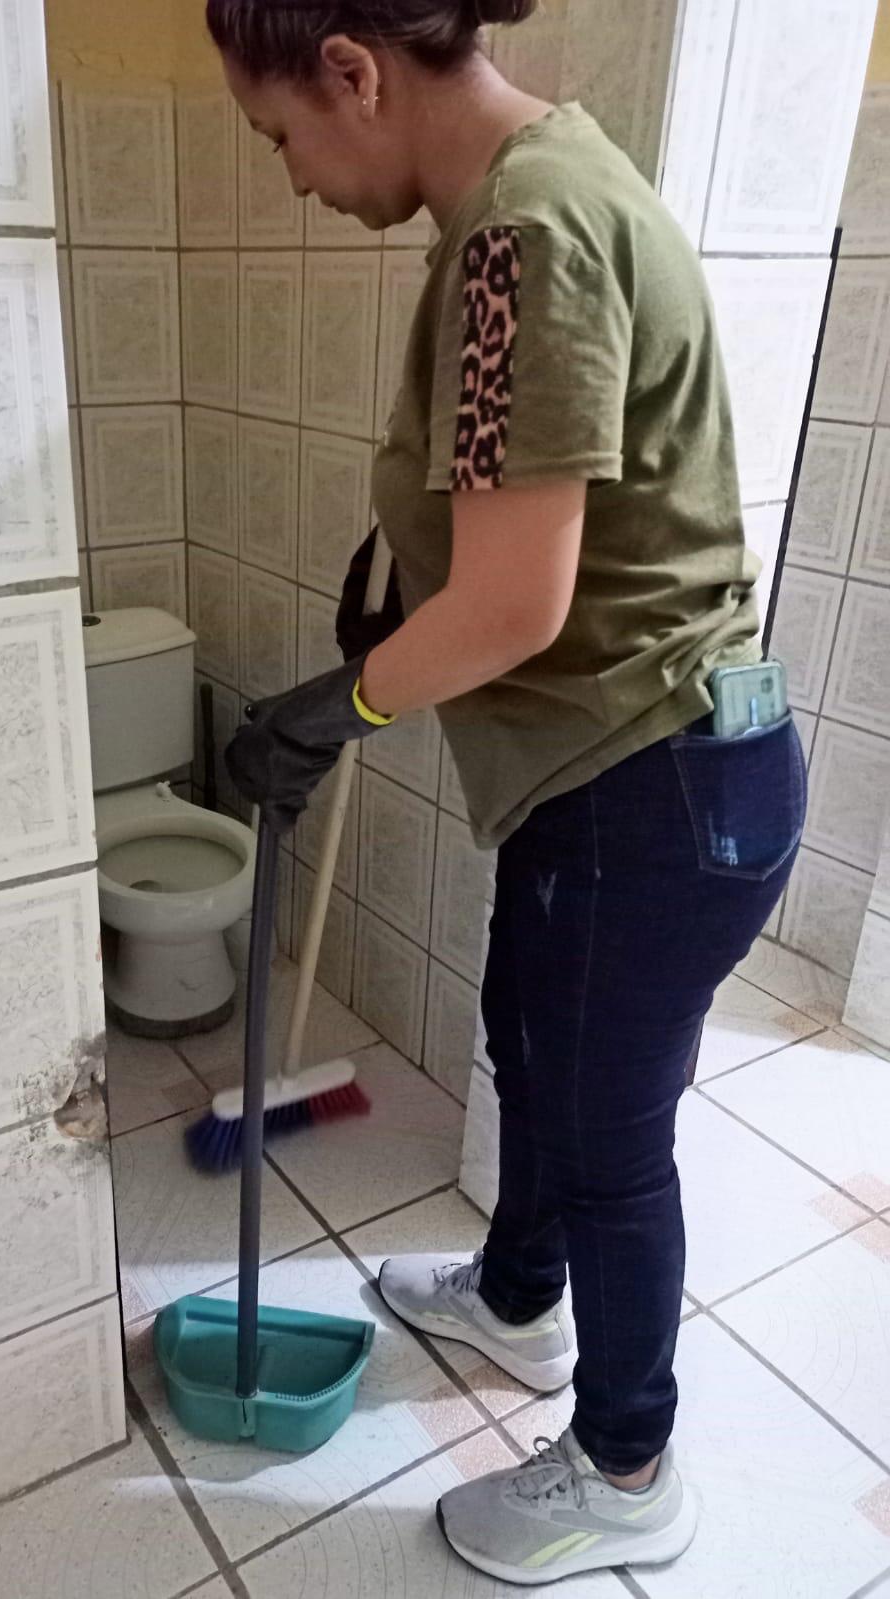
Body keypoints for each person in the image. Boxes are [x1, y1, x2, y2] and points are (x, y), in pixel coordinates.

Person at [209, 0, 806, 1585]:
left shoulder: (520, 238)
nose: (293, 175)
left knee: (607, 1136)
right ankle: (521, 1298)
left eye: (282, 134)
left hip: (648, 784)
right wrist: (396, 600)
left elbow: (516, 605)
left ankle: (628, 1468)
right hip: (634, 769)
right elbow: (535, 522)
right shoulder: (547, 190)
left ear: (353, 71)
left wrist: (332, 709)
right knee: (530, 1046)